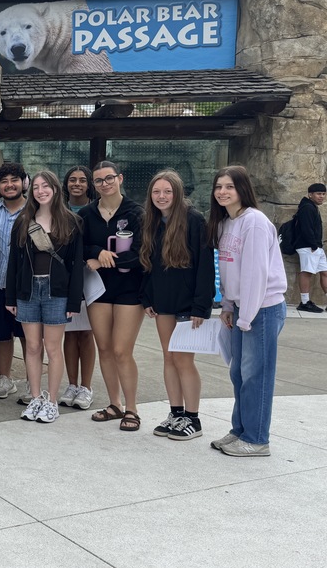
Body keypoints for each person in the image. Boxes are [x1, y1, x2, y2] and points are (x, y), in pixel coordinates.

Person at [208, 165, 287, 457]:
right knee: (239, 373)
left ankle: (256, 439)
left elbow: (256, 273)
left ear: (243, 189)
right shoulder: (226, 222)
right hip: (242, 308)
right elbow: (229, 271)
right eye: (218, 187)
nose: (223, 192)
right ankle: (240, 430)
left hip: (261, 310)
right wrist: (229, 305)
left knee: (257, 375)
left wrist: (246, 316)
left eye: (229, 186)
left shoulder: (253, 222)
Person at [140, 170, 216, 441]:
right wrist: (147, 298)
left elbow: (205, 267)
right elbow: (149, 266)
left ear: (177, 193)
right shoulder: (152, 222)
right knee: (169, 356)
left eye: (167, 191)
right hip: (163, 302)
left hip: (187, 304)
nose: (162, 196)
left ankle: (193, 419)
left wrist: (200, 306)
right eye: (157, 192)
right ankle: (176, 413)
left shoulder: (194, 221)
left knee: (184, 359)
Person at [5, 170, 84, 423]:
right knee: (32, 346)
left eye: (45, 186)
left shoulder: (71, 222)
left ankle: (51, 402)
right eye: (36, 187)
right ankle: (35, 397)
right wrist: (10, 297)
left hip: (56, 291)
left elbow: (76, 264)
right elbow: (14, 264)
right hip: (28, 290)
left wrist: (74, 300)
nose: (41, 191)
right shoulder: (23, 221)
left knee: (52, 348)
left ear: (55, 189)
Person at [80, 160, 145, 432]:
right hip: (99, 289)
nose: (104, 184)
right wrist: (96, 253)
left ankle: (132, 409)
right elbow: (79, 245)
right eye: (98, 181)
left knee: (121, 350)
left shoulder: (137, 213)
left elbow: (144, 251)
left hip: (129, 289)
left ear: (120, 178)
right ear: (93, 185)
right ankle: (114, 404)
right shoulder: (86, 213)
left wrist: (111, 260)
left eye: (109, 178)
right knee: (104, 347)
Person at [0, 162, 27, 400]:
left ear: (24, 182)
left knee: (28, 336)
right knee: (0, 335)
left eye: (14, 180)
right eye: (4, 181)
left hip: (26, 288)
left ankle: (33, 383)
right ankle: (5, 379)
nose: (10, 185)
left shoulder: (36, 211)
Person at [60, 165, 98, 409]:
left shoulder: (93, 211)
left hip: (89, 279)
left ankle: (86, 387)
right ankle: (71, 384)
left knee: (86, 333)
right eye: (72, 180)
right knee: (69, 333)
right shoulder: (59, 210)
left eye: (82, 180)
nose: (77, 184)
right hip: (64, 279)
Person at [294, 182, 327, 313]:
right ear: (310, 194)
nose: (322, 197)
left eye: (323, 194)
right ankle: (304, 302)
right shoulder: (307, 208)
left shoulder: (311, 206)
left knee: (324, 272)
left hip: (315, 246)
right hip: (308, 246)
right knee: (307, 272)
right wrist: (313, 245)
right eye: (318, 194)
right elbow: (306, 228)